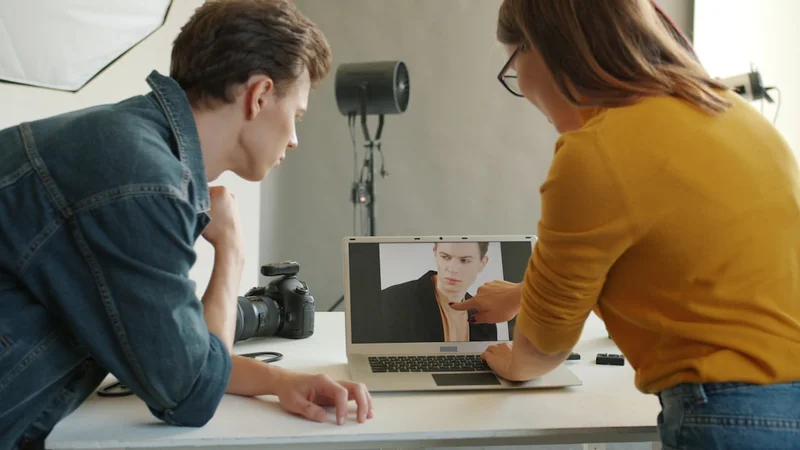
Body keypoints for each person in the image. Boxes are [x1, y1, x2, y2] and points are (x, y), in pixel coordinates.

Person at [0, 1, 372, 447]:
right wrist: (231, 247)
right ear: (259, 95)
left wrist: (279, 381)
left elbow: (168, 348)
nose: (293, 140)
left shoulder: (125, 145)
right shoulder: (143, 183)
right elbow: (192, 393)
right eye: (296, 115)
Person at [450, 0, 800, 448]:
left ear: (541, 49)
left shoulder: (595, 151)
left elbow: (543, 349)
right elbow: (673, 263)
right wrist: (523, 295)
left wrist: (513, 363)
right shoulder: (735, 115)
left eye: (513, 70)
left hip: (728, 417)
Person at [380, 242, 497, 342]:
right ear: (435, 253)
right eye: (445, 257)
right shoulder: (391, 301)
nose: (452, 269)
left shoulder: (486, 317)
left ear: (483, 263)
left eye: (464, 260)